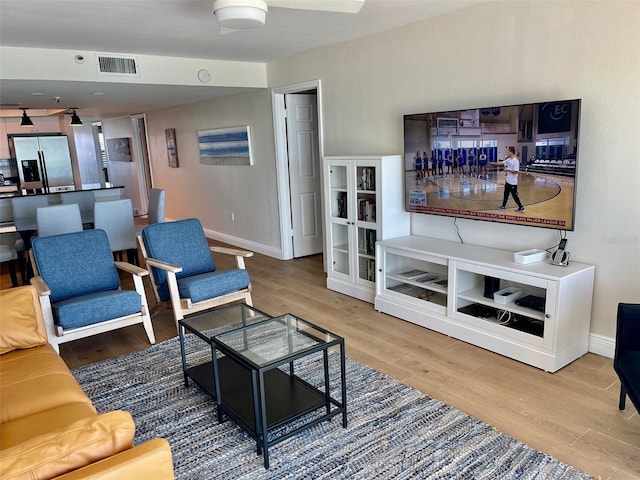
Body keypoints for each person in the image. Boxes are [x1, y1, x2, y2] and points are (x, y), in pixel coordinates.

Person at [492, 146, 525, 212]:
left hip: (513, 183)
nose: (507, 153)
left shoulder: (516, 161)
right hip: (508, 181)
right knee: (505, 194)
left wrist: (508, 170)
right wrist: (494, 163)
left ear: (511, 152)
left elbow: (516, 171)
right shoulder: (509, 160)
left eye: (508, 152)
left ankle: (520, 207)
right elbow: (501, 163)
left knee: (514, 196)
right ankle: (503, 206)